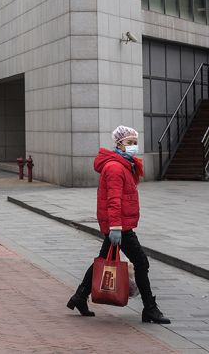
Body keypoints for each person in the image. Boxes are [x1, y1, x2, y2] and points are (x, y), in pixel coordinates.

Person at [66, 125, 171, 325]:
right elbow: (113, 200)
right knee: (141, 263)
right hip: (120, 226)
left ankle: (79, 297)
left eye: (135, 142)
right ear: (119, 144)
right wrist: (115, 227)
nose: (133, 146)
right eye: (129, 143)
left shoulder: (122, 165)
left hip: (119, 224)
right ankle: (150, 309)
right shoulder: (115, 167)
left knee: (103, 259)